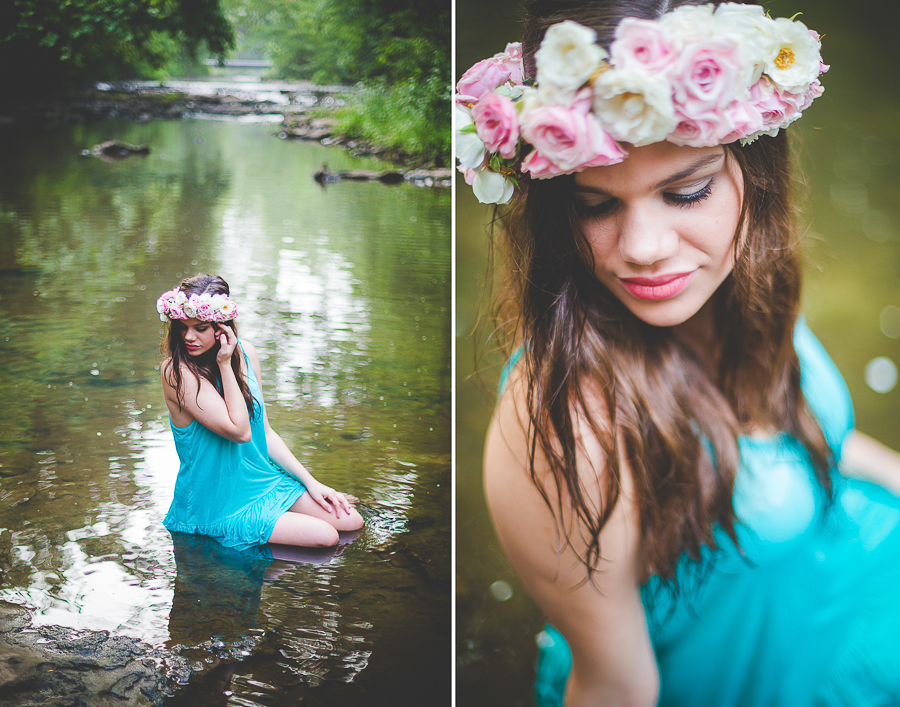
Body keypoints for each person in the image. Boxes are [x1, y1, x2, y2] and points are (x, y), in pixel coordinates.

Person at [459, 1, 900, 705]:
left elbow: (814, 434)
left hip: (844, 592)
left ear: (754, 175)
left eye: (686, 191)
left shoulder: (740, 283)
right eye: (594, 205)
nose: (643, 249)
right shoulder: (571, 422)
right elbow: (618, 688)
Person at [157, 274, 364, 551]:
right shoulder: (177, 373)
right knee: (326, 537)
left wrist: (312, 483)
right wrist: (224, 364)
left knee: (352, 522)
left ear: (223, 327)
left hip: (259, 481)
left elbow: (263, 433)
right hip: (217, 500)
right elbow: (240, 432)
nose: (188, 337)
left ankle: (270, 540)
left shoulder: (246, 353)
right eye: (182, 327)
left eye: (200, 327)